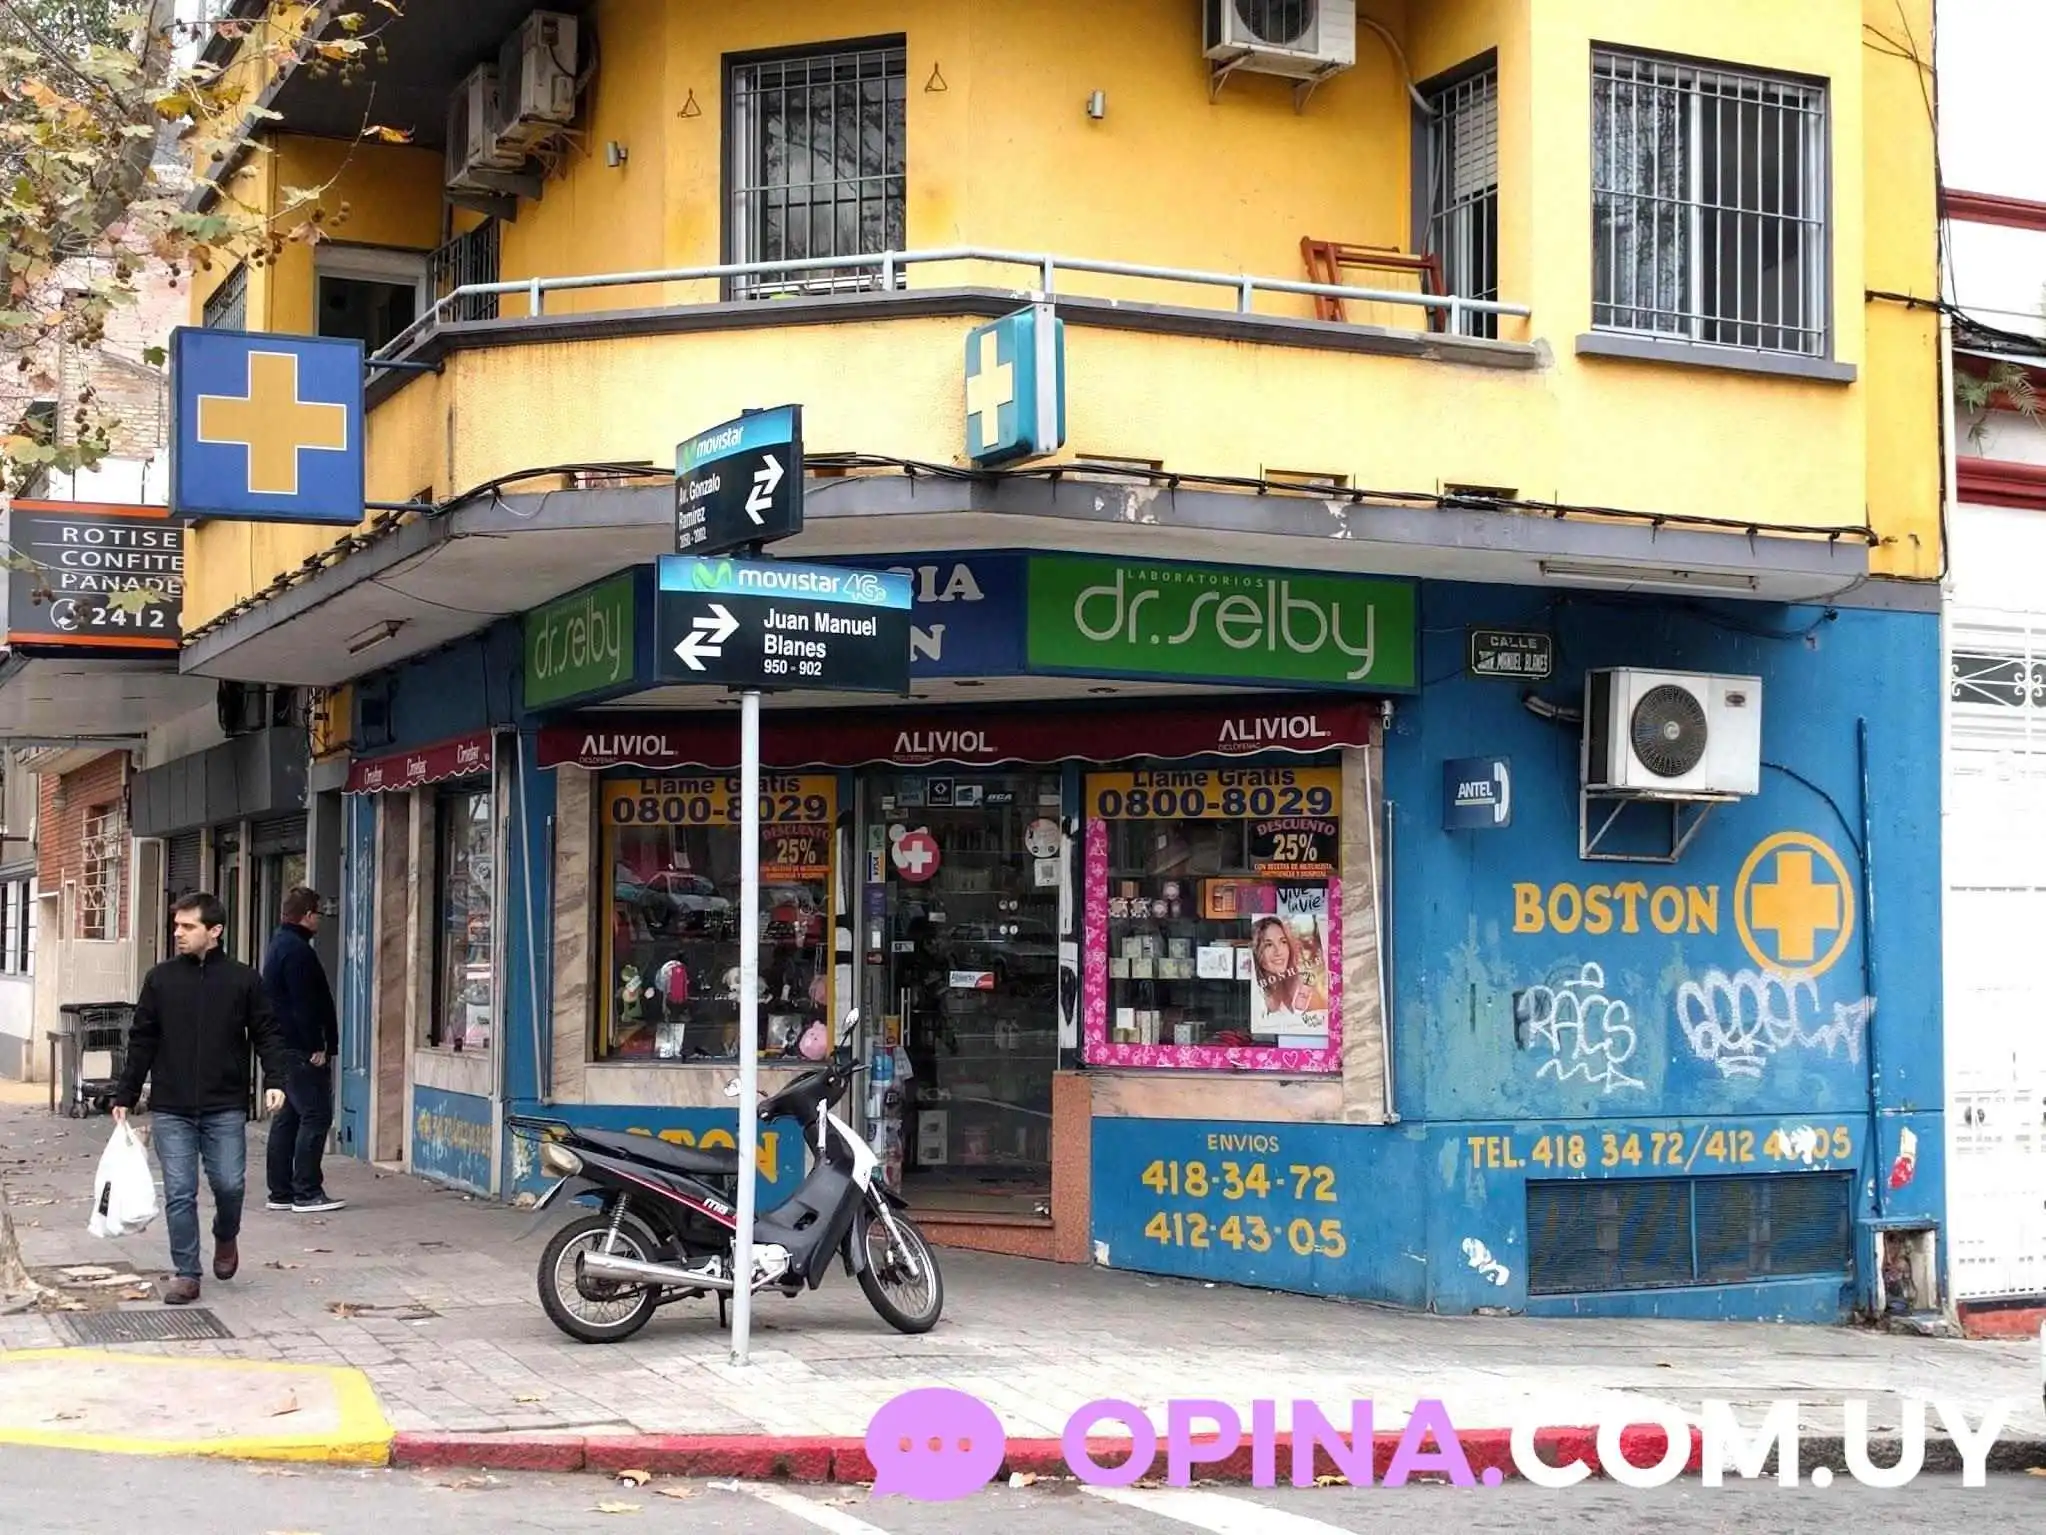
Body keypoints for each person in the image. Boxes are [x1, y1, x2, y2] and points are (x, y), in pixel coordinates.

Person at [113, 892, 296, 1305]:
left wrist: (275, 1079)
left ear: (214, 931)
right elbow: (142, 1038)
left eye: (187, 926)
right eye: (176, 925)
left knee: (230, 1184)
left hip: (224, 1104)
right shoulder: (160, 979)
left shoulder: (243, 980)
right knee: (180, 1191)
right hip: (171, 1106)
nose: (177, 933)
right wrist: (126, 1092)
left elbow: (267, 1033)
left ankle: (226, 1234)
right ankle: (186, 1273)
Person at [261, 886, 345, 1215]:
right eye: (318, 914)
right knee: (316, 1114)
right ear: (308, 915)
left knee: (289, 1116)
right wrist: (317, 1045)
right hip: (300, 1049)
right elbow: (304, 1004)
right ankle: (307, 1191)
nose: (320, 920)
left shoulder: (279, 945)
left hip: (284, 1046)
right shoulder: (297, 951)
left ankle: (281, 1191)